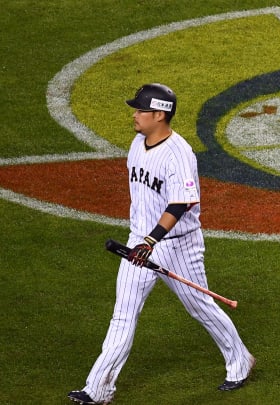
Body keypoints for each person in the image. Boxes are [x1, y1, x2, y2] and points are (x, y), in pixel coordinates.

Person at [68, 83, 255, 404]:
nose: (135, 114)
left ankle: (240, 360)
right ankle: (97, 389)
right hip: (139, 243)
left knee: (201, 307)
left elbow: (180, 203)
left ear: (159, 114)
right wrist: (141, 240)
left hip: (178, 245)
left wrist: (152, 241)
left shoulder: (179, 154)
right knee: (123, 314)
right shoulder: (137, 144)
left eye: (141, 110)